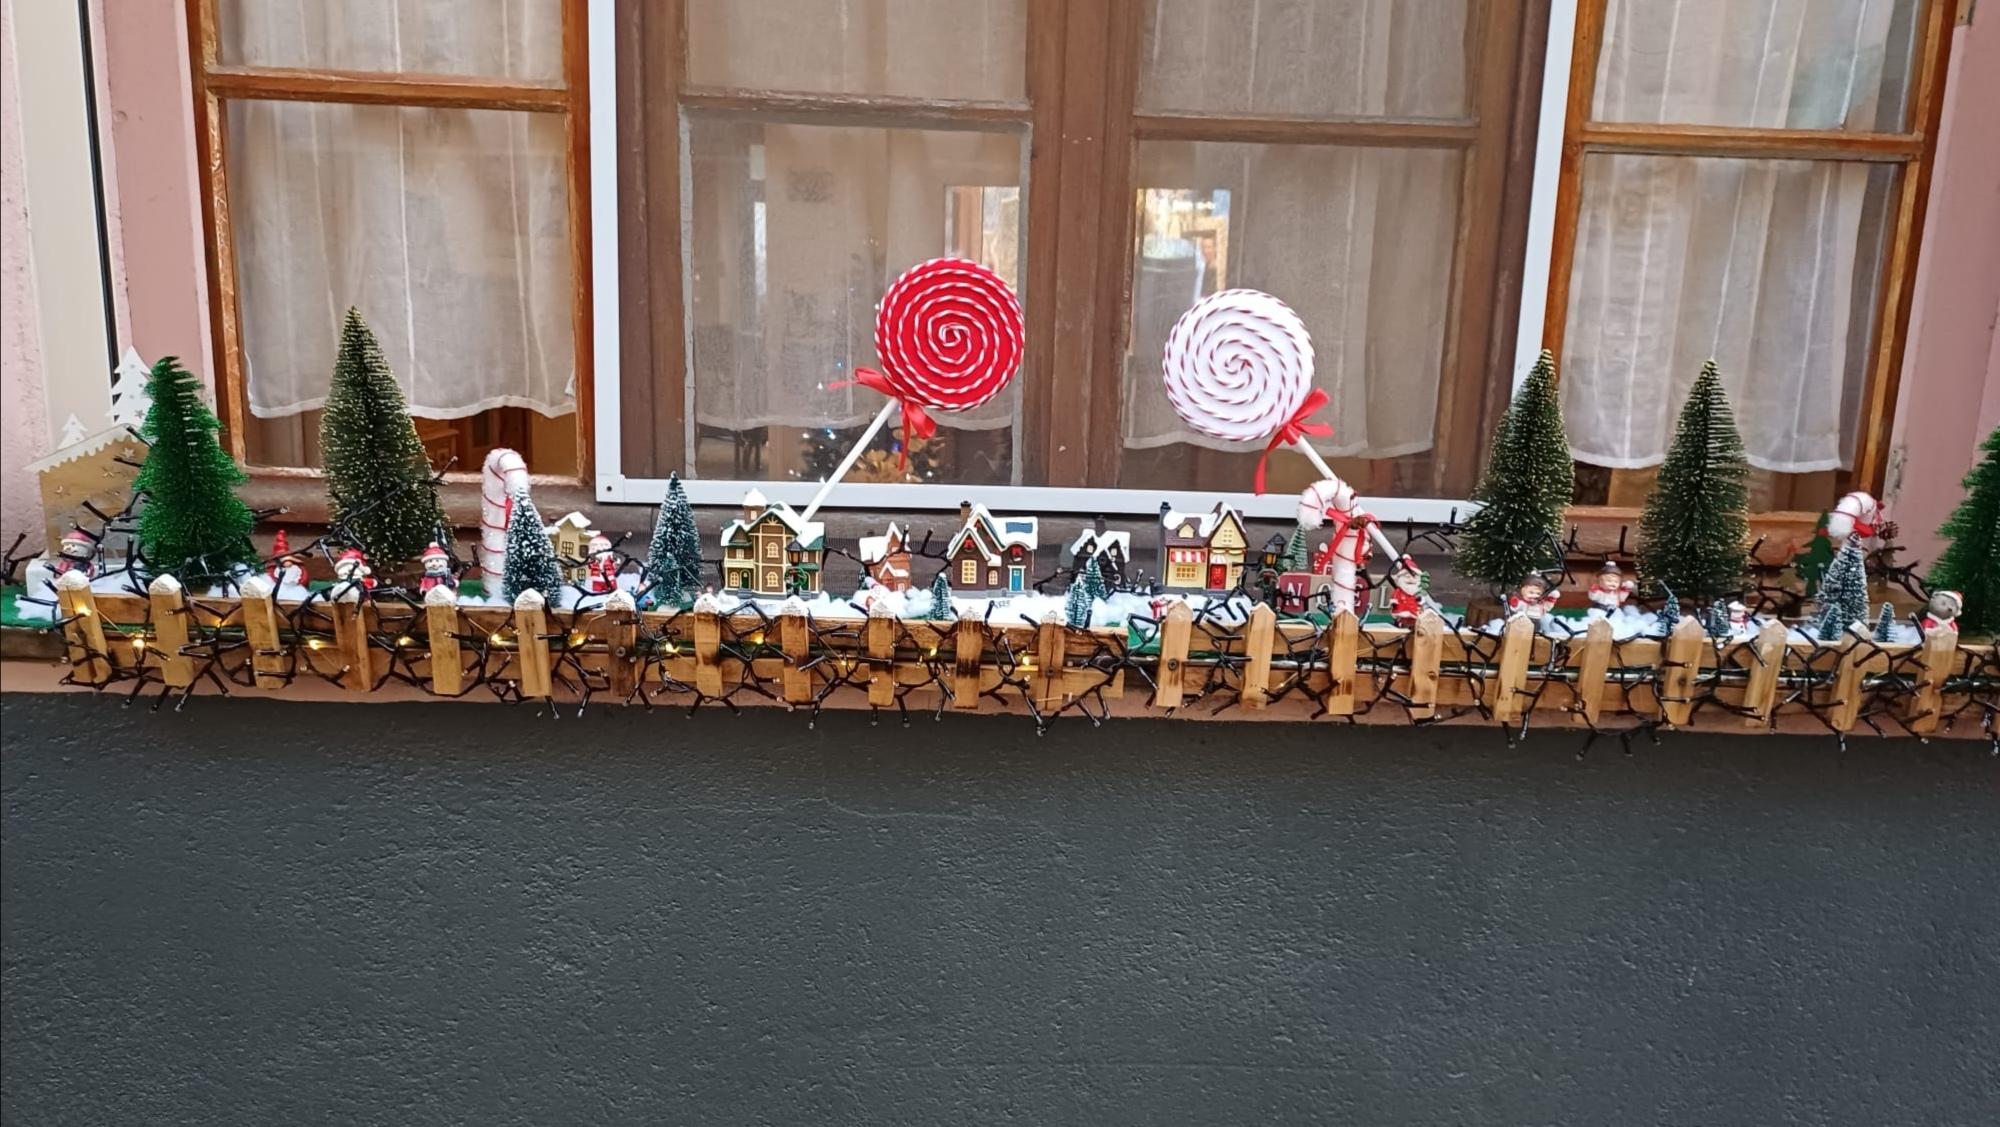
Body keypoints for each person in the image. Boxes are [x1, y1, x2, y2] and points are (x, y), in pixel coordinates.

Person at [1385, 556, 1429, 628]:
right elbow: (1395, 597)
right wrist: (1394, 603)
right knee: (1402, 617)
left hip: (1414, 610)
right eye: (1407, 577)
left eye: (1413, 577)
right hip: (1402, 609)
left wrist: (1420, 600)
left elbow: (1422, 599)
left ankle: (1414, 625)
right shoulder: (1399, 591)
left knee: (1415, 618)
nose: (1410, 579)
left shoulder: (1417, 591)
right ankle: (1401, 623)